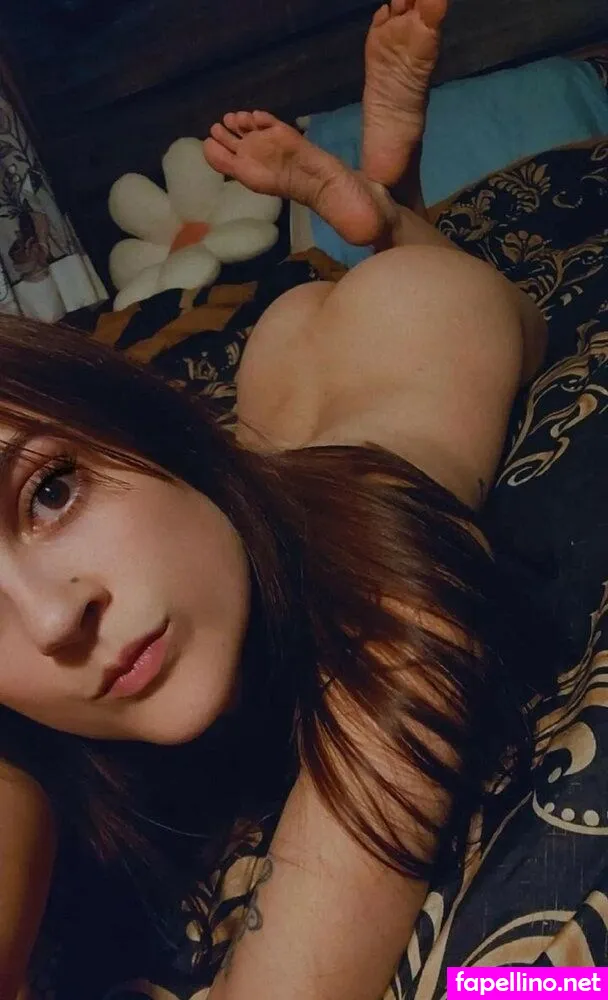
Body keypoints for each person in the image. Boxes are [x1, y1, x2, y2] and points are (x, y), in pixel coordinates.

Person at [0, 1, 549, 997]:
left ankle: (388, 210)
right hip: (272, 397)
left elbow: (406, 644)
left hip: (391, 360)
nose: (52, 618)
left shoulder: (396, 565)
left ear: (140, 428)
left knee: (465, 302)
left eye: (52, 489)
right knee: (280, 436)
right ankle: (376, 209)